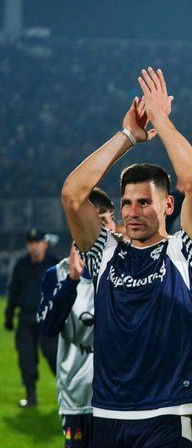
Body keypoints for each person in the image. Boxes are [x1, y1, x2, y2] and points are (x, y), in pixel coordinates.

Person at [60, 68, 192, 446]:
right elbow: (72, 195)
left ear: (167, 205)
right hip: (108, 413)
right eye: (126, 202)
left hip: (168, 412)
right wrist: (128, 136)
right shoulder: (105, 251)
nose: (132, 211)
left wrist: (162, 121)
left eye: (144, 202)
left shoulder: (187, 251)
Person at [37, 187, 116, 447]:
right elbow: (48, 327)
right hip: (77, 402)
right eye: (96, 223)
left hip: (121, 402)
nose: (104, 230)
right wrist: (72, 281)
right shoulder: (57, 274)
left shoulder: (130, 268)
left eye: (107, 221)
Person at [5, 227, 59, 407]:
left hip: (48, 318)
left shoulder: (55, 263)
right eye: (31, 243)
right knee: (26, 357)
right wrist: (9, 315)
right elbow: (13, 291)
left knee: (53, 355)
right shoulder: (21, 264)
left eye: (37, 242)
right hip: (27, 317)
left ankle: (66, 389)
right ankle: (30, 396)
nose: (34, 246)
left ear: (45, 243)